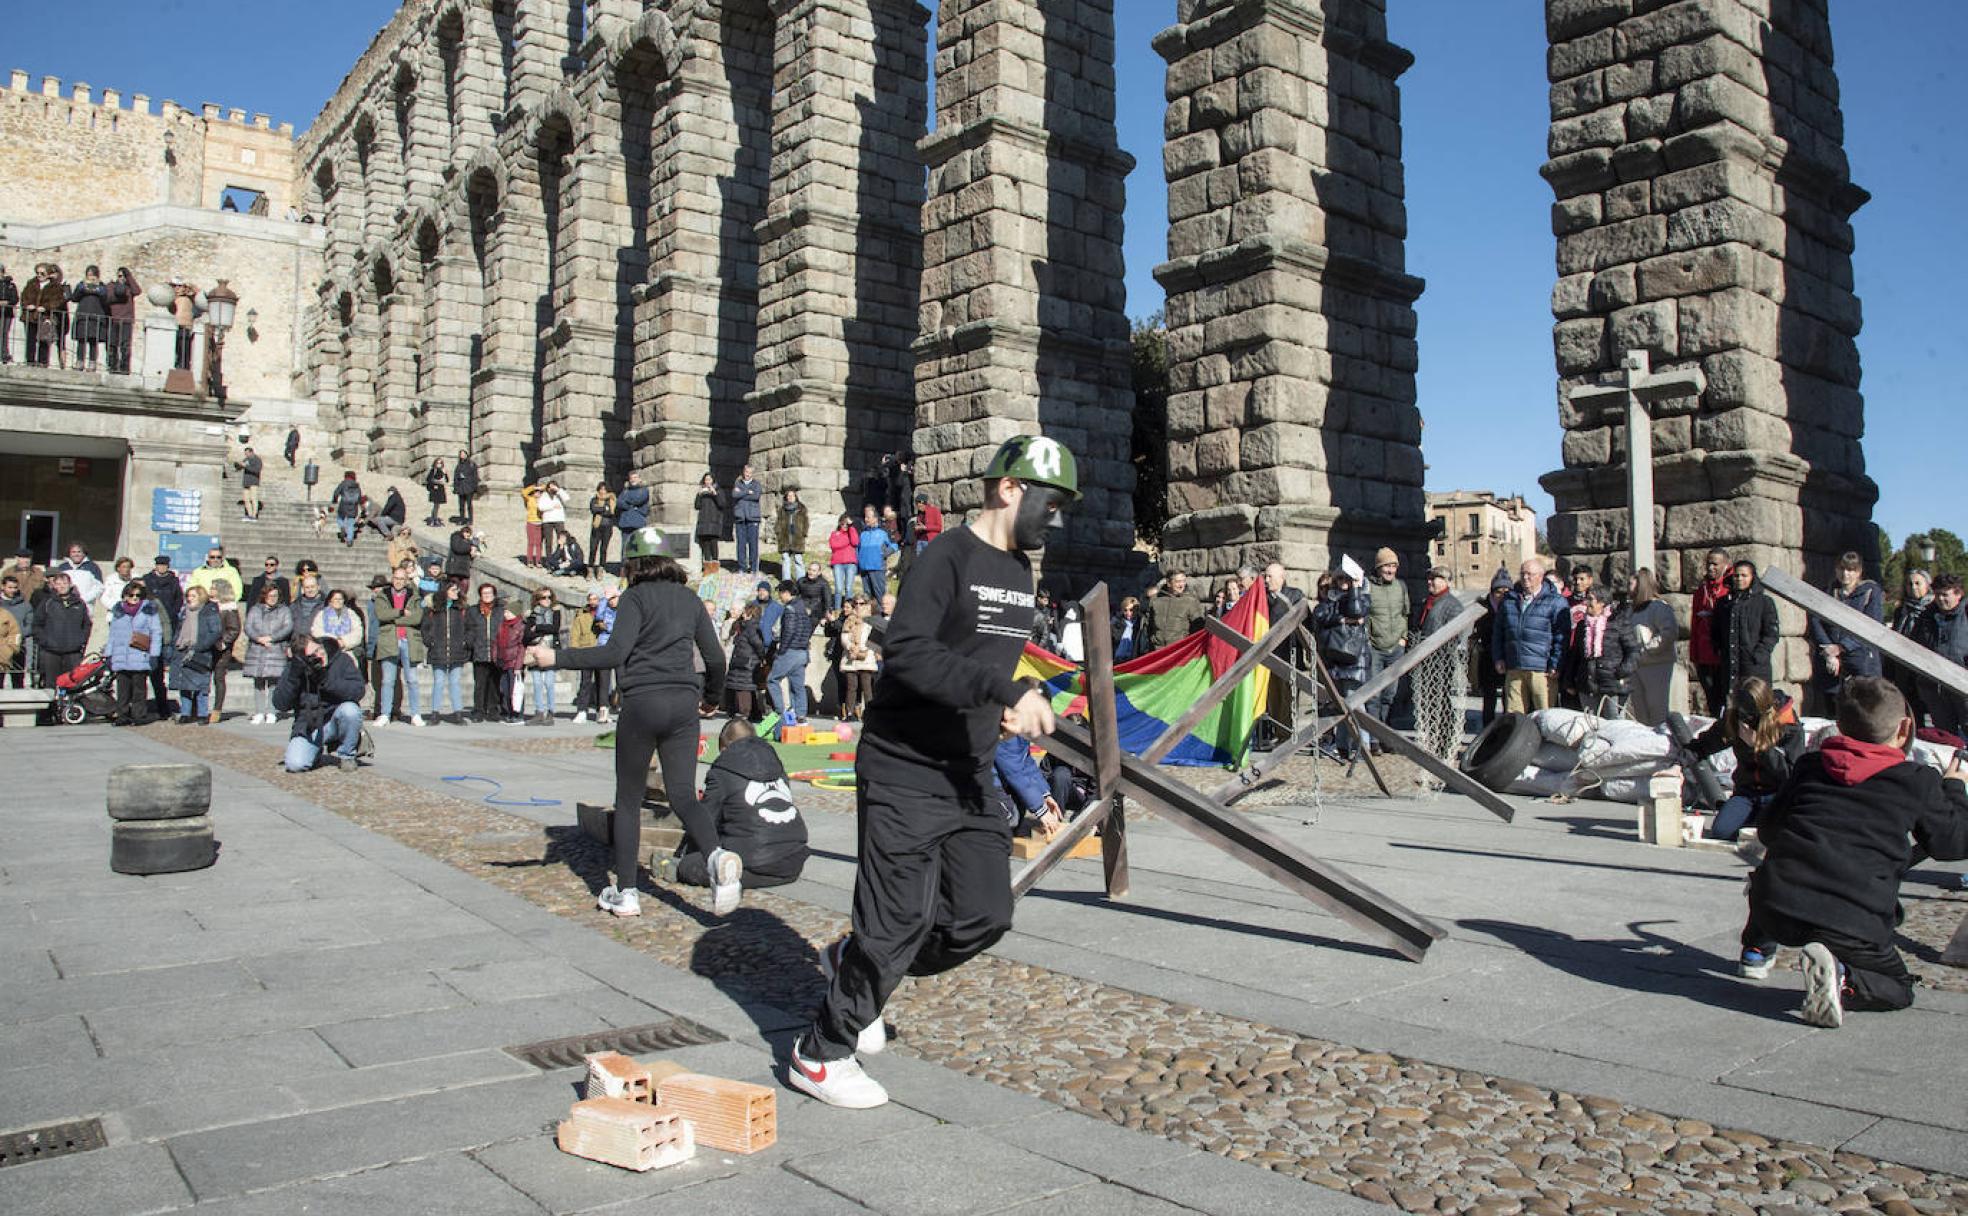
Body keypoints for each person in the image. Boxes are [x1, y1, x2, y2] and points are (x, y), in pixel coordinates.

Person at [790, 434, 1073, 1109]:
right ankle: (821, 1050)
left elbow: (979, 662)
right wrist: (1002, 693)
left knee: (983, 915)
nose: (1055, 520)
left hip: (969, 772)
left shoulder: (1019, 572)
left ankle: (853, 963)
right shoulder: (943, 558)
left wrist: (1009, 698)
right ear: (1010, 489)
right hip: (904, 766)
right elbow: (909, 652)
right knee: (895, 924)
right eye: (1051, 505)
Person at [1736, 677, 1968, 1026]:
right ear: (1905, 728)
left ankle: (1756, 949)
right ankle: (1843, 977)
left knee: (1780, 865)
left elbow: (1770, 830)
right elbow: (1952, 843)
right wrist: (1955, 787)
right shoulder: (1915, 779)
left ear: (1839, 725)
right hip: (1851, 918)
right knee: (1897, 989)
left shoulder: (1810, 766)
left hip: (1778, 908)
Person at [529, 532, 727, 919]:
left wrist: (555, 658)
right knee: (684, 793)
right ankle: (718, 858)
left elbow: (615, 653)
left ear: (634, 564)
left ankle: (628, 892)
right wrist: (712, 698)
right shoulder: (688, 599)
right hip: (684, 701)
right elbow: (716, 658)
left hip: (643, 701)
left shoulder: (635, 598)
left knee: (629, 800)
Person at [664, 718, 809, 890]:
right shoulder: (775, 763)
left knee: (689, 866)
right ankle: (761, 876)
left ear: (724, 748)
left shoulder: (722, 770)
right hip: (793, 859)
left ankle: (736, 877)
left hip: (755, 856)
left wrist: (687, 852)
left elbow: (706, 820)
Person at [1687, 677, 1804, 843]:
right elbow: (1703, 745)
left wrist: (1760, 747)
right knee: (1722, 832)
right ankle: (1751, 819)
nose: (1746, 723)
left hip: (1776, 793)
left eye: (1750, 718)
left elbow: (1791, 774)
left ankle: (1762, 821)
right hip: (1747, 792)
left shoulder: (1788, 728)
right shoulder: (1736, 720)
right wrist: (1679, 765)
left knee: (1772, 837)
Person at [273, 635, 370, 771]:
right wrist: (293, 678)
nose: (319, 655)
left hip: (336, 719)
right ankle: (315, 751)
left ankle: (347, 755)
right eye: (313, 655)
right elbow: (280, 704)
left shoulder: (341, 660)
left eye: (319, 649)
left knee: (351, 710)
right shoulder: (295, 669)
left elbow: (358, 691)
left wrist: (326, 681)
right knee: (295, 764)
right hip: (309, 725)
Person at [1807, 551, 1885, 710]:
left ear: (1859, 572)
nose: (1845, 574)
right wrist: (1828, 650)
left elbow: (1871, 626)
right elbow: (1815, 620)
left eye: (1850, 570)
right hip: (1830, 661)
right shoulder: (1827, 591)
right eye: (1841, 569)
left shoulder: (1870, 593)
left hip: (1861, 661)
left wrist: (1841, 647)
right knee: (1831, 709)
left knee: (1862, 709)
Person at [1492, 558, 1567, 714]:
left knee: (1545, 714)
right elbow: (1498, 631)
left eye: (1530, 574)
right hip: (1514, 666)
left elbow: (1561, 637)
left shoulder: (1556, 602)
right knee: (1514, 715)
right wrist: (1498, 657)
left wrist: (1555, 664)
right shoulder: (1509, 600)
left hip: (1541, 669)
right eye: (1522, 574)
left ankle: (1543, 740)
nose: (1525, 578)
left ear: (1540, 576)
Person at [1312, 567, 1373, 760]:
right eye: (1340, 578)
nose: (1343, 581)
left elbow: (1356, 612)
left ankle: (1362, 747)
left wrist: (1355, 588)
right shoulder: (1332, 597)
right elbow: (1320, 615)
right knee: (1340, 705)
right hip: (1336, 659)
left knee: (1356, 705)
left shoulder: (1362, 596)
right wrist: (1341, 619)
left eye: (1347, 578)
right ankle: (1343, 746)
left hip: (1355, 659)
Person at [1559, 585, 1638, 719]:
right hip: (1588, 684)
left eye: (1590, 599)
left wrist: (1622, 671)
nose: (1586, 603)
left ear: (1602, 603)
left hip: (1612, 684)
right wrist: (1569, 680)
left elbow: (1633, 650)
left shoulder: (1619, 623)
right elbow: (1575, 655)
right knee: (1590, 724)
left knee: (1615, 724)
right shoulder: (1582, 626)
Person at [1913, 573, 1968, 738]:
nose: (1941, 599)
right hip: (1934, 689)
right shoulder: (1926, 616)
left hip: (1963, 688)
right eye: (1937, 594)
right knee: (1945, 737)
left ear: (1958, 594)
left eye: (1945, 594)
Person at [373, 567, 427, 727]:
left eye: (402, 579)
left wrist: (394, 618)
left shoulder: (414, 596)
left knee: (412, 680)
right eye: (396, 578)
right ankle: (385, 714)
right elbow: (382, 615)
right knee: (388, 680)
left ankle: (415, 714)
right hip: (389, 640)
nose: (398, 581)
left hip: (408, 641)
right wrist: (402, 612)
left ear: (406, 580)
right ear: (392, 578)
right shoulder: (382, 596)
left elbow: (417, 618)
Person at [1625, 568, 1679, 726]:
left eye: (1631, 582)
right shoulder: (1630, 611)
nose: (1628, 586)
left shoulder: (1659, 607)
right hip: (1636, 667)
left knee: (1657, 711)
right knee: (1640, 713)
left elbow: (1668, 634)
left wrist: (1645, 649)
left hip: (1657, 665)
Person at [1717, 559, 1780, 693]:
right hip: (1730, 665)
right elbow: (1716, 631)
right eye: (1736, 575)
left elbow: (1771, 633)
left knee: (1755, 702)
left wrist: (1758, 655)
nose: (1739, 579)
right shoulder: (1724, 603)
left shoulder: (1764, 602)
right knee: (1732, 705)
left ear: (1752, 577)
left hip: (1754, 666)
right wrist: (1720, 651)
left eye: (1744, 575)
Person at [1364, 547, 1410, 729]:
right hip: (1375, 648)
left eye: (1393, 566)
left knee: (1391, 695)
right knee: (1374, 694)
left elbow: (1405, 614)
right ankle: (1375, 737)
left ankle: (1386, 733)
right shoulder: (1368, 587)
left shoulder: (1400, 587)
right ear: (1378, 568)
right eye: (1386, 566)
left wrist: (1403, 638)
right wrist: (1368, 640)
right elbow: (1364, 615)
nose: (1390, 570)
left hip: (1395, 648)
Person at [105, 582, 163, 725]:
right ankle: (122, 715)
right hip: (121, 654)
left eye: (138, 595)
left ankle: (139, 715)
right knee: (122, 689)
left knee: (139, 688)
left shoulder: (149, 610)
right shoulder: (118, 612)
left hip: (139, 654)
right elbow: (112, 634)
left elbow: (156, 632)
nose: (135, 598)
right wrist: (109, 653)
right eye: (131, 595)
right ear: (125, 596)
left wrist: (154, 654)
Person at [169, 586, 223, 723]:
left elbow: (215, 631)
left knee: (201, 685)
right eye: (188, 596)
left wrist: (201, 646)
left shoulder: (209, 610)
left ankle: (202, 713)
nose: (189, 599)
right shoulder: (184, 612)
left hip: (200, 651)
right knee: (184, 685)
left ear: (201, 597)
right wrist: (175, 646)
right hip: (183, 650)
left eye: (193, 596)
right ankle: (186, 713)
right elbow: (178, 630)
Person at [1889, 567, 1935, 727]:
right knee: (1910, 713)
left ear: (1927, 585)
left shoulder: (1933, 610)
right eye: (1909, 584)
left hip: (1925, 667)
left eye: (1918, 583)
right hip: (1904, 668)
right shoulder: (1901, 611)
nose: (1913, 587)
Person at [243, 581, 293, 724]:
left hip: (275, 648)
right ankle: (259, 711)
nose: (273, 598)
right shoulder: (255, 609)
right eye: (270, 595)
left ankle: (271, 711)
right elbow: (248, 626)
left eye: (275, 596)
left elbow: (287, 627)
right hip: (257, 649)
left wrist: (272, 638)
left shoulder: (284, 610)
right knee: (258, 682)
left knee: (273, 683)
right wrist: (258, 638)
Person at [422, 578, 472, 724]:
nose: (456, 592)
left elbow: (470, 628)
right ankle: (435, 713)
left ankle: (458, 713)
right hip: (438, 649)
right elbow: (425, 627)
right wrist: (429, 641)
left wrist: (466, 641)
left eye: (457, 589)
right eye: (453, 590)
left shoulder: (462, 609)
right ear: (445, 592)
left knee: (455, 682)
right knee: (438, 681)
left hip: (457, 650)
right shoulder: (433, 609)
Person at [766, 579, 815, 727]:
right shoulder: (803, 608)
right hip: (802, 652)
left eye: (781, 593)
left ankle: (780, 711)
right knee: (797, 685)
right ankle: (800, 716)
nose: (780, 597)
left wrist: (781, 651)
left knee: (772, 680)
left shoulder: (790, 609)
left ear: (786, 593)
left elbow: (788, 632)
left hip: (790, 651)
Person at [32, 570, 90, 689]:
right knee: (51, 686)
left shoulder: (79, 603)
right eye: (58, 584)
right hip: (52, 651)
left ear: (70, 585)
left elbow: (87, 625)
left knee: (72, 684)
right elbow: (37, 624)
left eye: (64, 583)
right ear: (54, 585)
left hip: (72, 652)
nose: (62, 586)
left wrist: (81, 641)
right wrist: (45, 641)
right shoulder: (48, 603)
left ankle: (70, 707)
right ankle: (51, 708)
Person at [1690, 549, 1731, 714]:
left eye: (1715, 564)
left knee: (1726, 701)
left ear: (1725, 565)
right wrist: (1694, 654)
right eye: (1708, 563)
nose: (1710, 567)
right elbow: (1695, 623)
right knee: (1711, 701)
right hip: (1705, 656)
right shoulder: (1702, 591)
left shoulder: (1729, 589)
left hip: (1723, 655)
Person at [568, 587, 610, 724]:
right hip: (586, 649)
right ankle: (582, 710)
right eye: (590, 599)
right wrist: (574, 650)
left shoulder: (606, 613)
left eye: (595, 599)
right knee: (585, 682)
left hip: (602, 651)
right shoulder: (581, 614)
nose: (593, 602)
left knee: (602, 683)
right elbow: (575, 633)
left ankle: (601, 710)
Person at [467, 583, 507, 723]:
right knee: (480, 684)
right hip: (480, 651)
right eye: (484, 593)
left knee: (495, 683)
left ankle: (493, 710)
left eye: (489, 593)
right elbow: (468, 628)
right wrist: (470, 642)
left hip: (496, 651)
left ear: (494, 594)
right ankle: (478, 710)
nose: (487, 595)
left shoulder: (500, 610)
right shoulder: (473, 611)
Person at [523, 587, 562, 725]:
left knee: (549, 683)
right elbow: (527, 634)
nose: (547, 600)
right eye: (543, 597)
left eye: (549, 597)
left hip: (550, 650)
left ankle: (551, 712)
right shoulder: (532, 615)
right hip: (535, 651)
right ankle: (539, 711)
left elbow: (555, 628)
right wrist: (543, 629)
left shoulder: (555, 612)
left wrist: (538, 628)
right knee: (537, 683)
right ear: (537, 599)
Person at [837, 597, 878, 721]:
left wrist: (861, 649)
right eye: (856, 604)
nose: (859, 606)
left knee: (867, 687)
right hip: (851, 657)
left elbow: (874, 638)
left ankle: (870, 713)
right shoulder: (850, 620)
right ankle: (849, 713)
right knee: (851, 686)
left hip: (866, 656)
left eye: (862, 603)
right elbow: (844, 636)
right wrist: (850, 647)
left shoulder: (872, 621)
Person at [727, 602, 769, 722]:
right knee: (746, 688)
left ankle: (744, 713)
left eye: (745, 612)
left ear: (750, 614)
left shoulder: (751, 628)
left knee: (743, 688)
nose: (743, 614)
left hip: (747, 662)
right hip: (744, 660)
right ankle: (753, 714)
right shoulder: (746, 626)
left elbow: (758, 644)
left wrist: (762, 657)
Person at [68, 265, 114, 372]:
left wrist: (96, 288)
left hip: (96, 318)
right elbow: (74, 298)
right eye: (88, 275)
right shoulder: (81, 285)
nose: (90, 278)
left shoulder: (102, 286)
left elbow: (105, 297)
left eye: (92, 275)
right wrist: (83, 287)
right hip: (83, 316)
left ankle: (92, 363)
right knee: (81, 340)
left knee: (94, 341)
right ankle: (80, 362)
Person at [209, 583, 243, 723]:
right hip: (209, 646)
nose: (210, 590)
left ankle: (217, 709)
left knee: (219, 677)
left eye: (213, 588)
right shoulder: (209, 605)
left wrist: (224, 642)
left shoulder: (229, 608)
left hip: (222, 649)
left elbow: (234, 629)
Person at [1146, 570, 1205, 652]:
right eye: (1178, 581)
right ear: (1169, 583)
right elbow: (1149, 626)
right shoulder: (1155, 600)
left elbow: (1199, 628)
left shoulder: (1191, 601)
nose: (1181, 585)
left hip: (1179, 651)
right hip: (1157, 651)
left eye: (1183, 581)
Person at [855, 504, 898, 602]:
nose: (866, 519)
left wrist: (884, 553)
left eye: (868, 517)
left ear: (875, 518)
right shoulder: (863, 533)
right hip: (864, 569)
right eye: (865, 517)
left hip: (877, 568)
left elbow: (894, 545)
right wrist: (858, 564)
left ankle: (882, 615)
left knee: (879, 595)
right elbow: (858, 549)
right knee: (867, 597)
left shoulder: (883, 532)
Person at [731, 464, 763, 574]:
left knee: (753, 544)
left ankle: (754, 568)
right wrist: (747, 492)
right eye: (746, 472)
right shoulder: (737, 483)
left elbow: (756, 496)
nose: (748, 474)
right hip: (740, 517)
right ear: (743, 472)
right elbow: (734, 495)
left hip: (753, 518)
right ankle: (742, 567)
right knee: (741, 544)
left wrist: (741, 493)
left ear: (752, 473)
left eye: (750, 472)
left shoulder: (756, 484)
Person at [311, 588, 365, 652]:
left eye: (340, 599)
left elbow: (357, 632)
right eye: (335, 599)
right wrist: (335, 640)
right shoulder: (321, 614)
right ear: (330, 601)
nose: (338, 601)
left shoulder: (351, 614)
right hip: (327, 649)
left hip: (347, 650)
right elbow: (317, 631)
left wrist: (344, 641)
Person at [0, 573, 29, 689]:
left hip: (8, 650)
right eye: (9, 587)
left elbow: (19, 629)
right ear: (3, 587)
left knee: (17, 680)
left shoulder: (24, 605)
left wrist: (9, 648)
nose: (12, 590)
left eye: (14, 587)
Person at [827, 512, 860, 610]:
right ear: (840, 523)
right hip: (838, 563)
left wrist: (851, 528)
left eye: (847, 524)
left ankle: (848, 609)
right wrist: (847, 540)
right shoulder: (835, 534)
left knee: (849, 588)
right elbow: (834, 545)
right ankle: (837, 610)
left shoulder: (852, 532)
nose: (845, 526)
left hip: (850, 563)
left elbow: (855, 542)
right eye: (843, 523)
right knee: (838, 589)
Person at [775, 486, 809, 580]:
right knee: (785, 560)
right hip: (784, 538)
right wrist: (778, 532)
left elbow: (806, 521)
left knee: (798, 560)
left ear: (795, 497)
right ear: (786, 497)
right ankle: (786, 581)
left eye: (792, 496)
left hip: (797, 538)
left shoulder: (801, 509)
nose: (790, 497)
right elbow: (778, 522)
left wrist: (804, 532)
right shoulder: (782, 510)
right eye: (788, 496)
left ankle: (800, 581)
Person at [693, 473, 727, 567]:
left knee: (713, 543)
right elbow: (697, 506)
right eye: (706, 480)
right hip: (704, 521)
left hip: (714, 521)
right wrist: (699, 495)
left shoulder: (718, 490)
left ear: (713, 480)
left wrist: (715, 494)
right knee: (705, 544)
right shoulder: (702, 492)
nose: (707, 482)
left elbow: (722, 504)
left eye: (709, 479)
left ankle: (715, 565)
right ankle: (707, 566)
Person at [588, 482, 617, 572]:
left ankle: (601, 567)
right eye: (601, 489)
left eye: (604, 489)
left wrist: (601, 509)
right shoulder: (594, 499)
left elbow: (611, 513)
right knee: (593, 548)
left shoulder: (611, 499)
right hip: (596, 527)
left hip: (607, 527)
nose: (602, 491)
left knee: (603, 549)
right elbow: (593, 509)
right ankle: (590, 567)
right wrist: (604, 508)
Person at [537, 480, 570, 557]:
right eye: (550, 487)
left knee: (561, 539)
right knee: (548, 542)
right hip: (547, 521)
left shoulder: (559, 494)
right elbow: (540, 507)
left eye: (553, 487)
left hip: (559, 520)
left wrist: (558, 490)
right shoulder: (543, 496)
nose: (551, 489)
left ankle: (561, 556)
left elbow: (567, 498)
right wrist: (552, 506)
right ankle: (549, 559)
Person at [332, 471, 364, 545]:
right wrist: (361, 507)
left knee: (339, 518)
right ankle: (349, 540)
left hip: (343, 505)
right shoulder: (357, 486)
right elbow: (360, 498)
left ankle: (342, 526)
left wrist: (334, 500)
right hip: (353, 506)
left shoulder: (343, 483)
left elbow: (336, 493)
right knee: (351, 523)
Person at [235, 446, 264, 521]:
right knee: (246, 499)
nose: (246, 455)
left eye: (247, 453)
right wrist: (238, 465)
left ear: (251, 452)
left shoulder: (257, 460)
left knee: (253, 499)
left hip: (253, 482)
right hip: (246, 482)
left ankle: (254, 515)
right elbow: (239, 468)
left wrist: (247, 466)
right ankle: (249, 515)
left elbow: (257, 470)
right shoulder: (246, 459)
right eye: (245, 454)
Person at [451, 449, 479, 525]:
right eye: (461, 454)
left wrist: (475, 488)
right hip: (461, 487)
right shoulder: (458, 466)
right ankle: (462, 519)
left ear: (466, 455)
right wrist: (455, 488)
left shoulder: (471, 464)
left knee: (469, 505)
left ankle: (470, 520)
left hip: (469, 487)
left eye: (463, 454)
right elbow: (455, 477)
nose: (462, 455)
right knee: (461, 505)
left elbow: (475, 477)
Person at [423, 457, 449, 527]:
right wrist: (435, 483)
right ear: (435, 463)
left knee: (437, 505)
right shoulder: (433, 470)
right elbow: (428, 479)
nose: (439, 464)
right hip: (435, 489)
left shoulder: (443, 470)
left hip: (441, 489)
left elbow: (447, 480)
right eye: (438, 463)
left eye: (440, 463)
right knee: (435, 505)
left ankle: (435, 518)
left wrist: (445, 473)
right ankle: (433, 519)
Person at [0, 264, 15, 364]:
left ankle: (4, 354)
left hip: (7, 313)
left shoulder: (10, 285)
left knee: (5, 333)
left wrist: (8, 302)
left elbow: (15, 298)